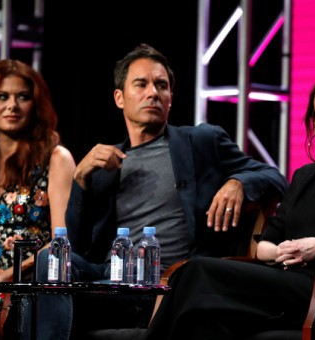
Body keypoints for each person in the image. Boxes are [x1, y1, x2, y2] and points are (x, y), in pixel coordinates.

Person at [30, 43, 288, 339]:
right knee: (50, 258)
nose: (153, 92)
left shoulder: (201, 141)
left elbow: (274, 177)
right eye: (141, 84)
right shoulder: (103, 162)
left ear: (170, 98)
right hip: (111, 284)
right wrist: (81, 180)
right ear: (119, 98)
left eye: (161, 85)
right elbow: (75, 246)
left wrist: (238, 182)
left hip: (172, 285)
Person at [144, 71, 315, 340]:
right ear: (314, 124)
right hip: (279, 277)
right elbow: (263, 246)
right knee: (203, 319)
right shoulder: (304, 176)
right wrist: (282, 251)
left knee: (195, 270)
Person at [0, 59, 76, 339]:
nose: (12, 106)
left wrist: (6, 275)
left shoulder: (55, 159)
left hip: (23, 289)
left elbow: (63, 242)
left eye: (22, 97)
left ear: (34, 105)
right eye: (2, 97)